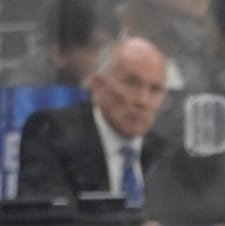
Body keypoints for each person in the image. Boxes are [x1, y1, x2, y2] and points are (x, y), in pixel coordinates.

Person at [17, 36, 169, 209]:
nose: (143, 101)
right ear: (99, 85)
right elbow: (49, 222)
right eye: (131, 83)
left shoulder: (164, 153)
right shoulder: (53, 133)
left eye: (155, 89)